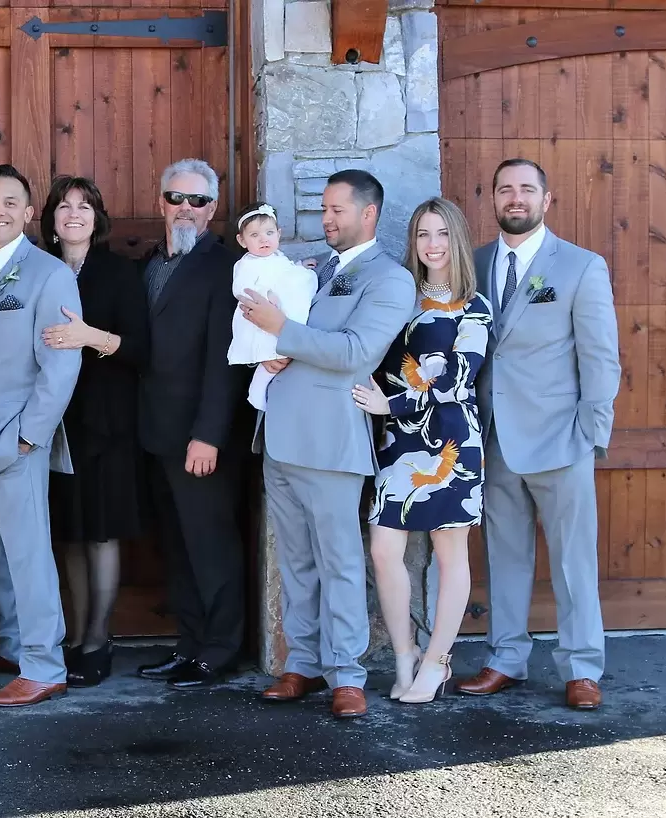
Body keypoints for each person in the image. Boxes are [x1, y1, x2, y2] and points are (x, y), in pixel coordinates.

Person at [238, 169, 415, 719]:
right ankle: (303, 662)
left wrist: (282, 330)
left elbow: (356, 351)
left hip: (332, 439)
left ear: (369, 213)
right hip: (280, 435)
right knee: (295, 561)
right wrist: (268, 350)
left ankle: (347, 674)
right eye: (324, 209)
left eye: (337, 210)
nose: (326, 219)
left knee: (339, 562)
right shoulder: (313, 268)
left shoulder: (390, 279)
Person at [455, 159, 620, 711]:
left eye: (527, 189)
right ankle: (505, 659)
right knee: (504, 557)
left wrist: (591, 435)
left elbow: (601, 358)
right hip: (492, 440)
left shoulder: (579, 266)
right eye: (506, 189)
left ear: (546, 201)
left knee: (574, 561)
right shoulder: (474, 263)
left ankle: (582, 667)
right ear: (494, 199)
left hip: (560, 440)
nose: (516, 198)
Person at [0, 164, 84, 707]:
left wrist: (29, 436)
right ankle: (10, 645)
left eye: (10, 202)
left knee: (28, 555)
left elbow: (61, 364)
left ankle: (45, 666)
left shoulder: (49, 274)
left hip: (13, 440)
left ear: (27, 213)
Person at [351, 197, 491, 703]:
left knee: (450, 554)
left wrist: (390, 403)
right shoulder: (400, 294)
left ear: (458, 239)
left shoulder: (474, 305)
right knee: (384, 550)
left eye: (442, 234)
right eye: (422, 234)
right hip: (398, 440)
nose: (433, 245)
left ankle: (438, 661)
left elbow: (459, 376)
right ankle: (405, 654)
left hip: (451, 438)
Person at [132, 159, 251, 690]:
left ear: (213, 208)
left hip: (201, 437)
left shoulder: (228, 267)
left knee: (211, 545)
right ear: (160, 202)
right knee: (177, 545)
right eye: (176, 198)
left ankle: (220, 650)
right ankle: (189, 643)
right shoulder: (150, 262)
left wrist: (208, 435)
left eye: (197, 200)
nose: (186, 208)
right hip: (157, 433)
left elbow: (225, 361)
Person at [34, 176, 148, 687]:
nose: (74, 214)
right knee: (70, 534)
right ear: (51, 219)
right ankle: (76, 636)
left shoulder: (119, 272)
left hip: (107, 420)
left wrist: (89, 337)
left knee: (100, 531)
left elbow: (141, 349)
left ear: (97, 218)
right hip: (54, 419)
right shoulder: (37, 269)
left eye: (84, 206)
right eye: (64, 206)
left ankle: (99, 640)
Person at [227, 203, 317, 411]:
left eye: (269, 233)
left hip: (280, 317)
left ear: (279, 234)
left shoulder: (277, 257)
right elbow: (240, 288)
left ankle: (277, 392)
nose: (264, 240)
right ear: (242, 240)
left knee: (285, 353)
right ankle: (257, 391)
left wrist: (300, 267)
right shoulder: (246, 264)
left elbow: (285, 272)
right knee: (272, 356)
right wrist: (264, 293)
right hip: (259, 319)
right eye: (255, 235)